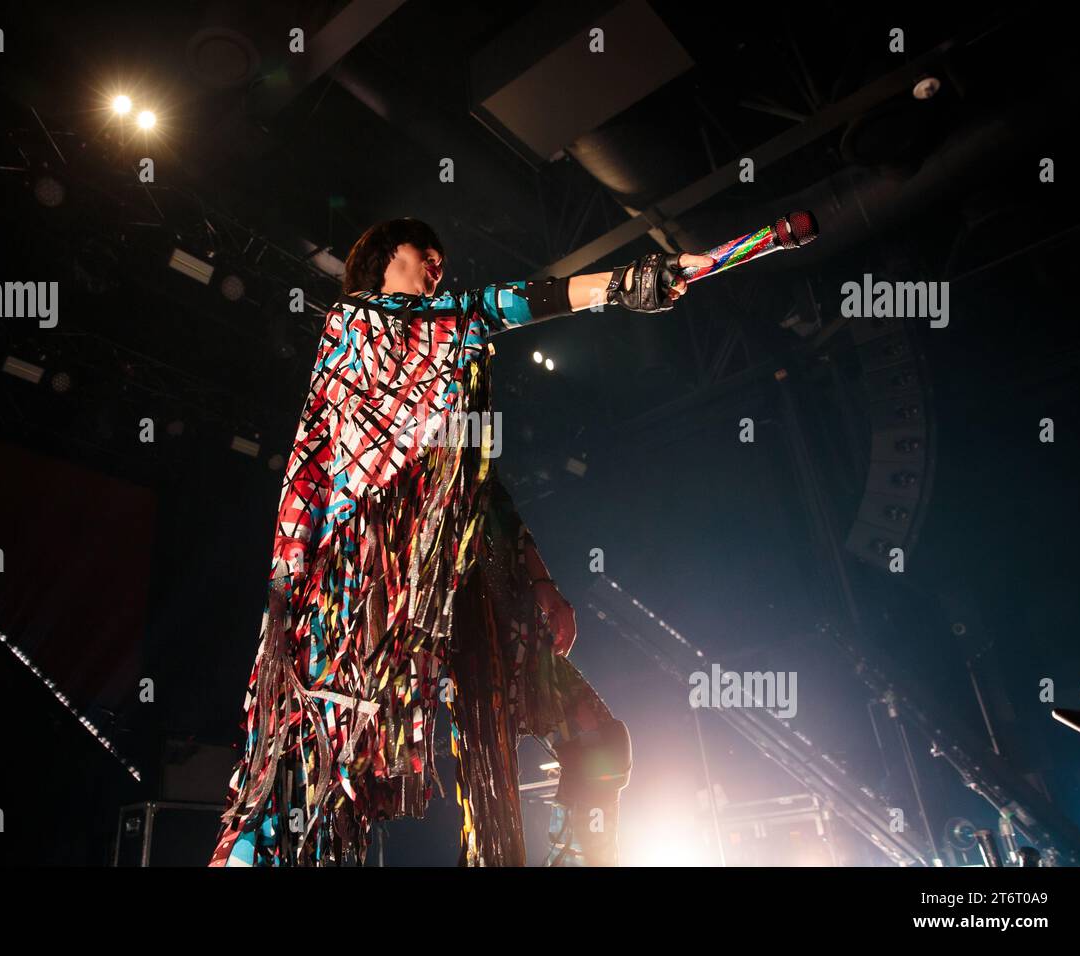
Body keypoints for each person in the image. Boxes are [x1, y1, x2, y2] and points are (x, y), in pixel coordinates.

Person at [208, 217, 713, 866]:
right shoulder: (355, 323)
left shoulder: (446, 392)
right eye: (428, 253)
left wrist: (541, 582)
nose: (439, 265)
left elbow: (486, 495)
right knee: (300, 785)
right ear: (385, 257)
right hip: (370, 598)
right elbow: (311, 463)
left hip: (467, 593)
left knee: (598, 739)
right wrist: (621, 283)